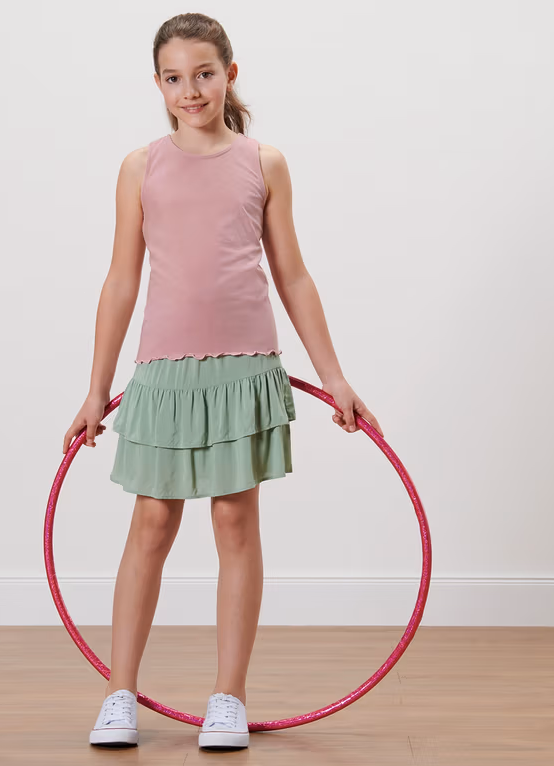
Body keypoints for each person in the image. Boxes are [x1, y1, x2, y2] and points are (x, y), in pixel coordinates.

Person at [62, 12, 384, 751]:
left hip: (245, 369)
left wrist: (335, 377)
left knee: (236, 522)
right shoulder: (140, 167)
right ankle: (119, 692)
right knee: (152, 522)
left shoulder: (263, 162)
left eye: (204, 74)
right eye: (174, 78)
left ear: (229, 75)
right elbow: (121, 280)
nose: (191, 90)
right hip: (165, 373)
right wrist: (95, 388)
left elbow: (292, 274)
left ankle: (228, 697)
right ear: (157, 84)